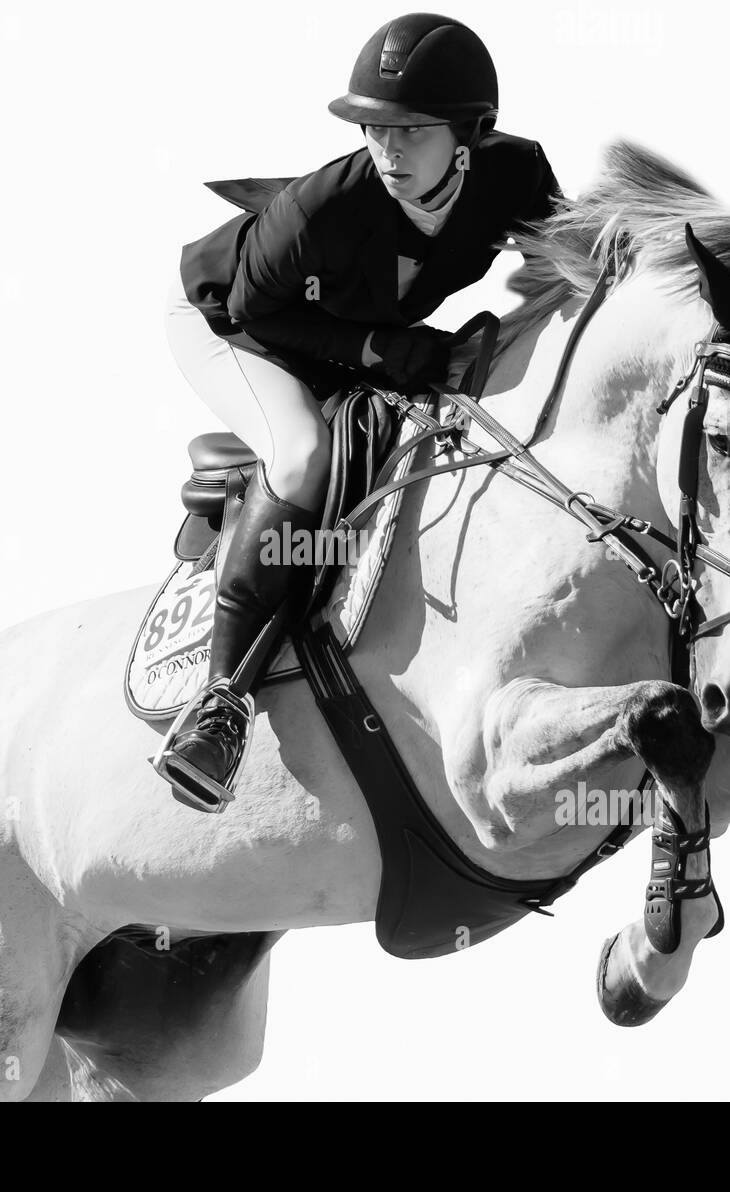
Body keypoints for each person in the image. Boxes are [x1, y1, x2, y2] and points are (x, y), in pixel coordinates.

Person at [160, 12, 561, 812]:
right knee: (303, 452)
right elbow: (257, 311)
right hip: (232, 324)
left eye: (412, 129)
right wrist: (379, 349)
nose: (389, 150)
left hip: (324, 323)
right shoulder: (320, 210)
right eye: (375, 129)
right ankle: (220, 705)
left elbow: (566, 268)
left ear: (470, 135)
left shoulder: (515, 177)